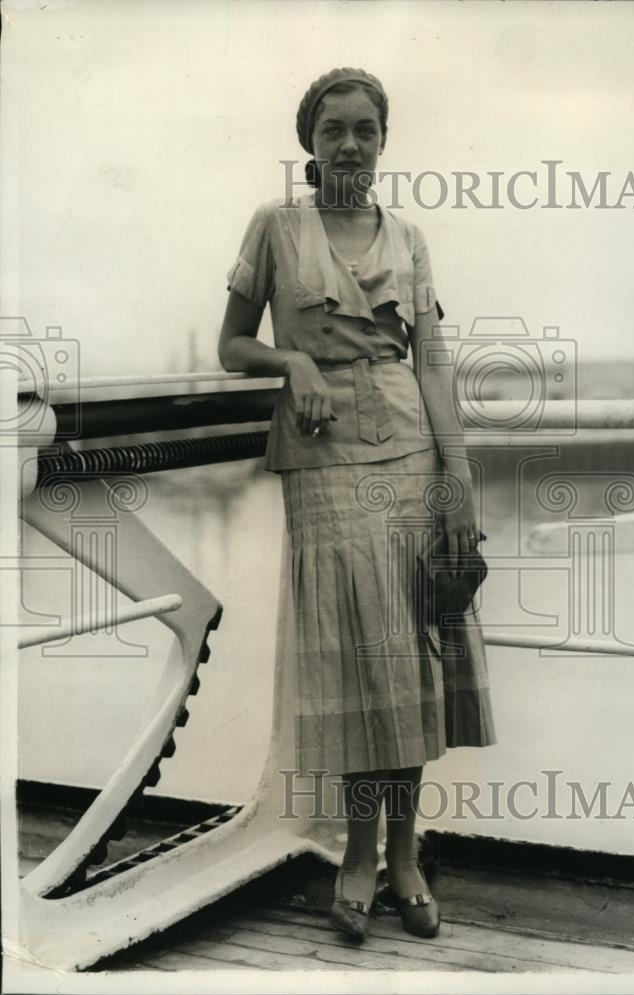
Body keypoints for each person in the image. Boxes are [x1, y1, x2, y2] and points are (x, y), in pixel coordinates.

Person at [218, 67, 495, 943]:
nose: (348, 145)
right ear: (309, 140)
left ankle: (404, 854)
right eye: (332, 129)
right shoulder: (275, 226)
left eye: (364, 130)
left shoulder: (408, 236)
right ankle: (356, 852)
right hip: (324, 459)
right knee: (354, 664)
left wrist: (455, 484)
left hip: (411, 452)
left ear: (383, 141)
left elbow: (433, 364)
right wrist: (292, 363)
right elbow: (232, 345)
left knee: (409, 659)